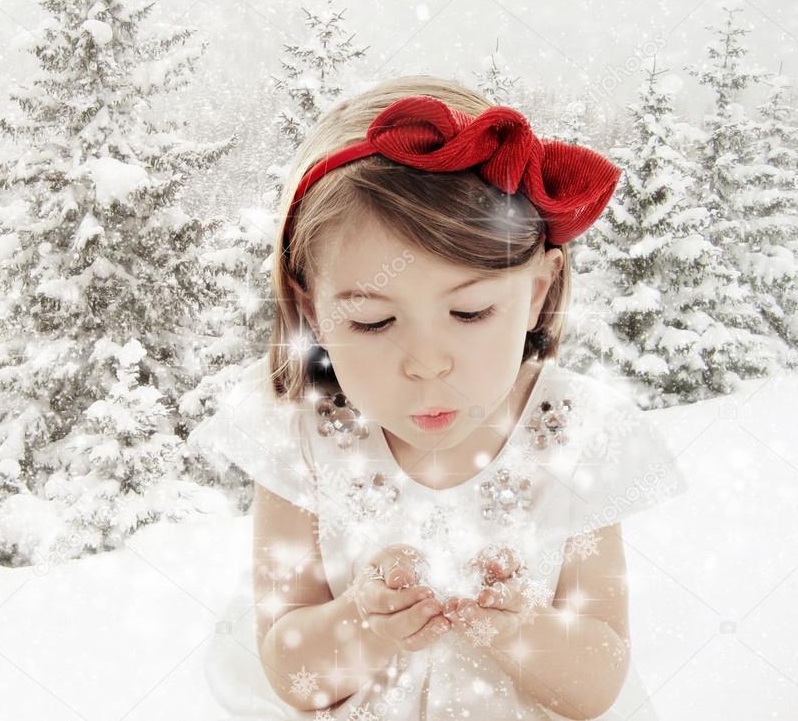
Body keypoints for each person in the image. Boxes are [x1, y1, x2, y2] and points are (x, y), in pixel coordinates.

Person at [188, 74, 690, 720]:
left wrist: (521, 630)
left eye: (471, 310)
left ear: (536, 291)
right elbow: (291, 667)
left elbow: (598, 679)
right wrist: (363, 626)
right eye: (372, 321)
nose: (426, 364)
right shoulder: (305, 439)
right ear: (315, 312)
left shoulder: (571, 434)